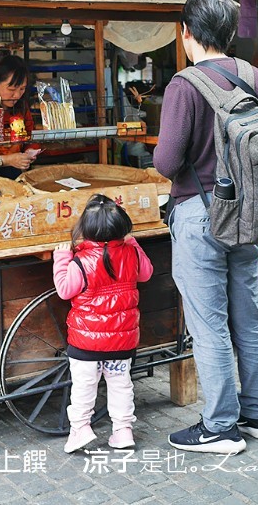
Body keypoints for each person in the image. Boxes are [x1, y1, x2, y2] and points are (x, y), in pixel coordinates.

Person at [153, 0, 258, 454]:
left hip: (200, 215)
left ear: (187, 33)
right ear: (229, 33)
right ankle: (256, 413)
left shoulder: (184, 86)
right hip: (249, 216)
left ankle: (220, 426)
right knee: (248, 317)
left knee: (208, 325)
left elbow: (167, 163)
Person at [52, 194, 154, 453]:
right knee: (121, 384)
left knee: (84, 386)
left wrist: (61, 259)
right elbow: (147, 273)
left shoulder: (80, 261)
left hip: (86, 345)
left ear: (84, 230)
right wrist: (135, 245)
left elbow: (64, 290)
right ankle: (122, 431)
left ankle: (81, 428)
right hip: (121, 343)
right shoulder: (131, 253)